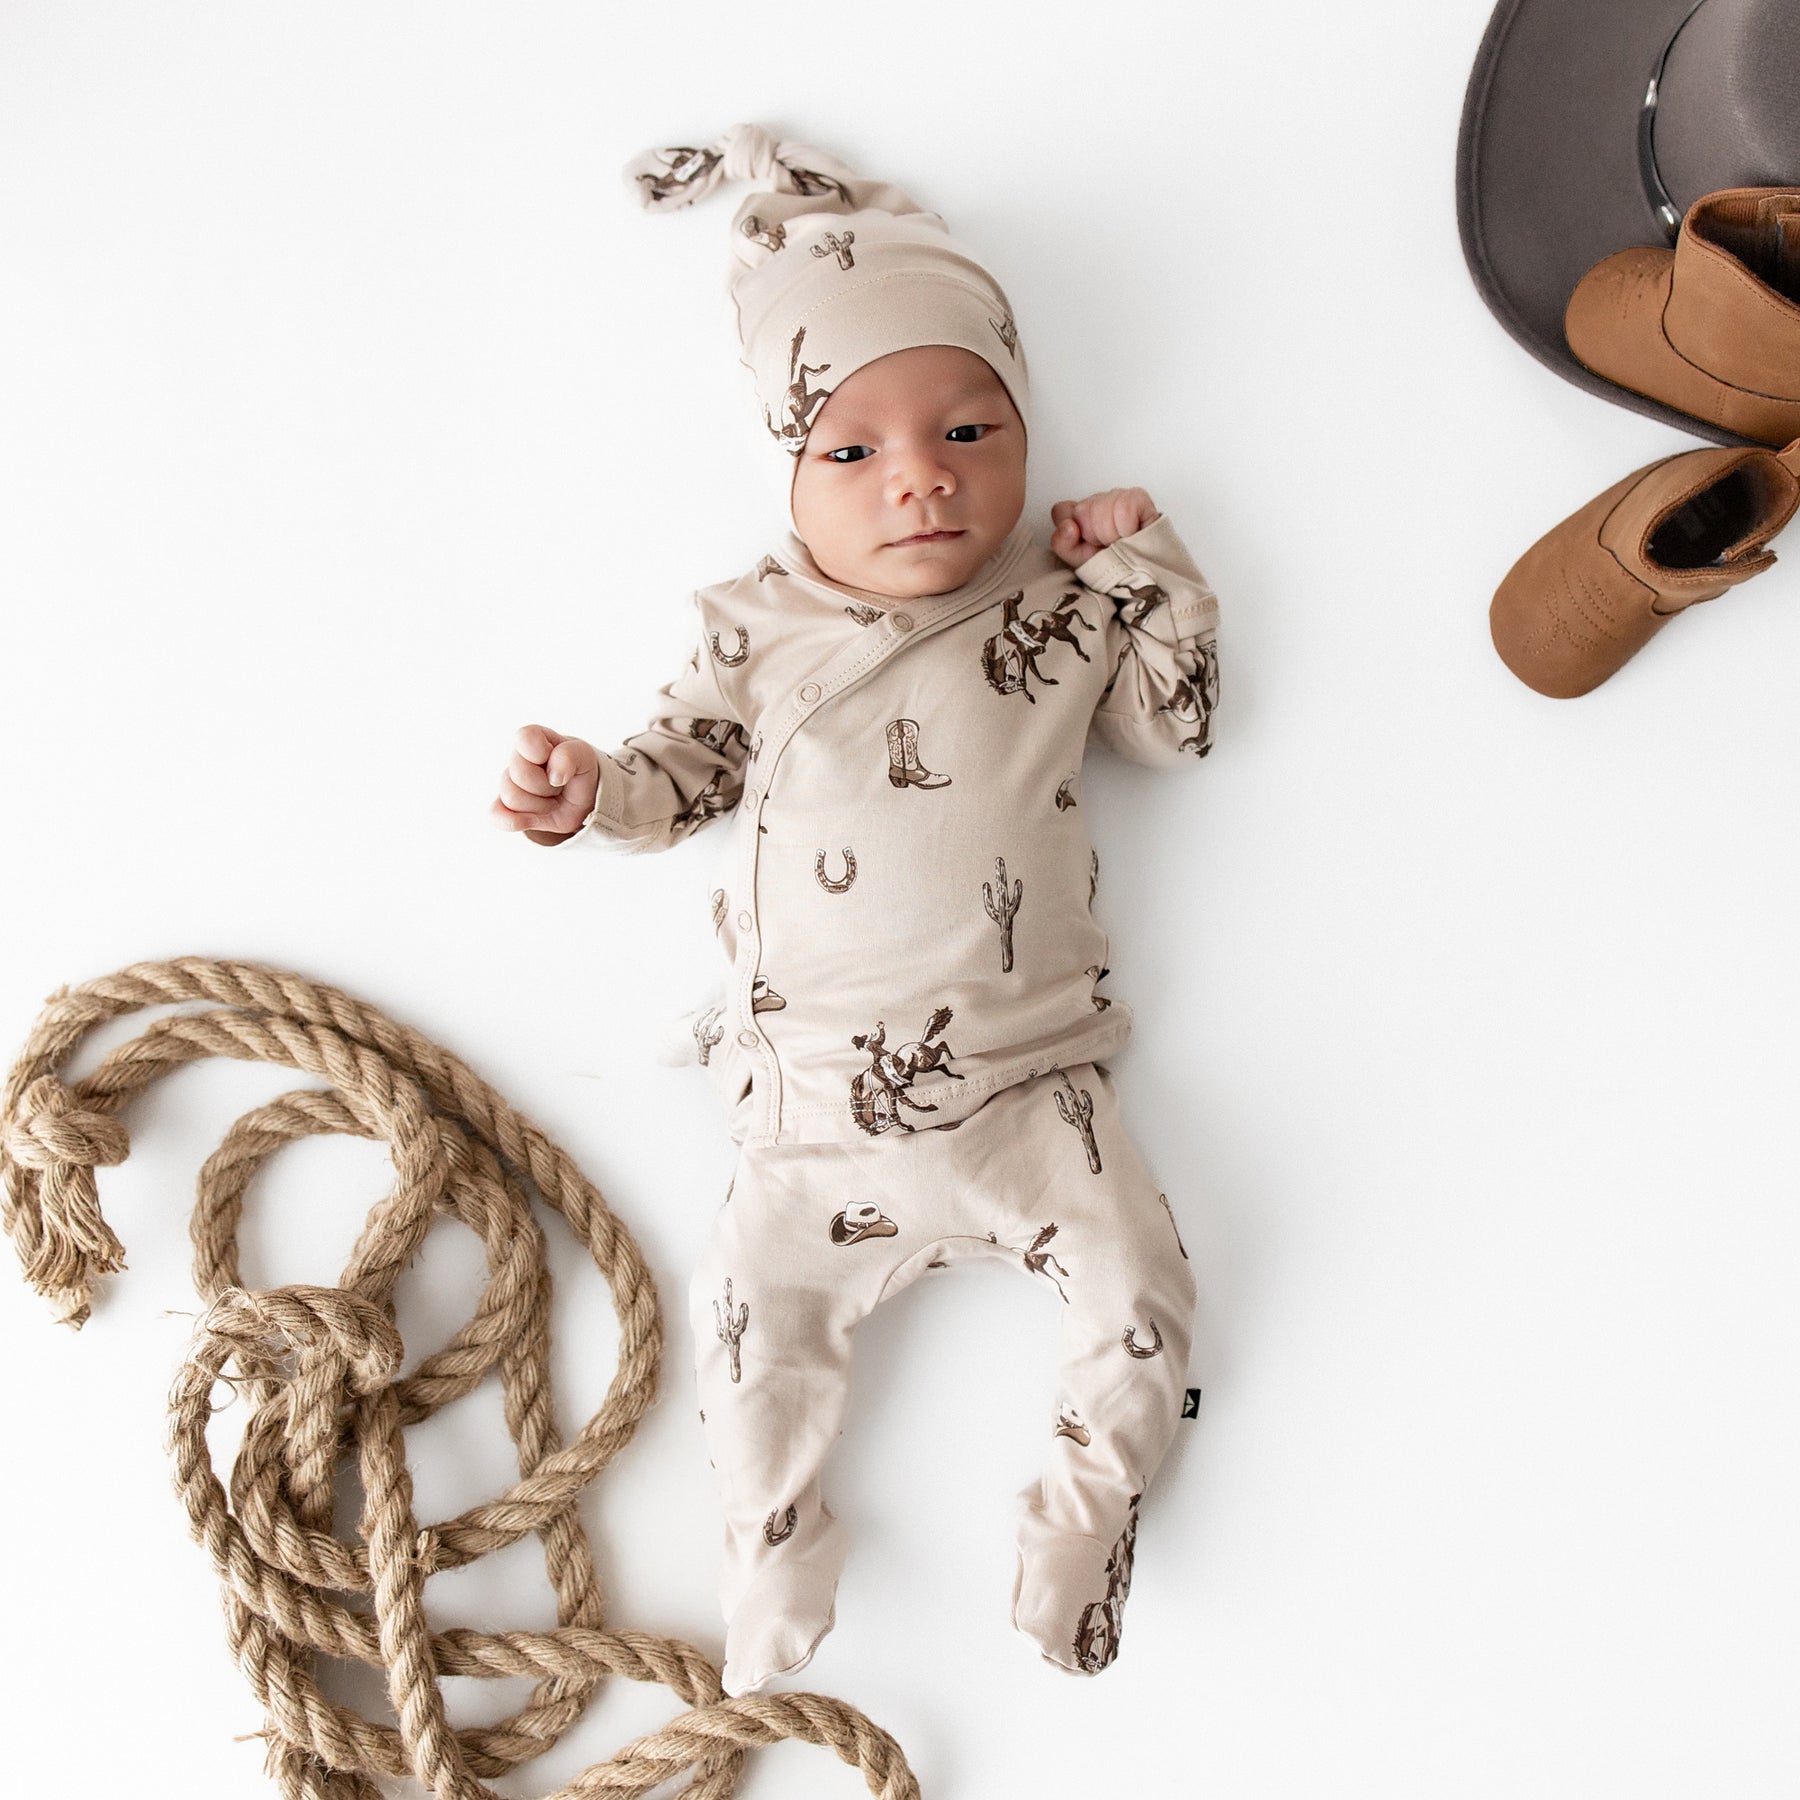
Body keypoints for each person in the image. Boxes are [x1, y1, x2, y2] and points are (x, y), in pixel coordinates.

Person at [491, 124, 1219, 1697]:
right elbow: (679, 777)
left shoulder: (1055, 612)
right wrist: (588, 793)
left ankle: (1084, 1524)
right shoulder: (756, 629)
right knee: (748, 1351)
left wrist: (1151, 567)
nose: (923, 480)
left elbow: (1179, 725)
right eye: (855, 452)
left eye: (970, 430)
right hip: (813, 1114)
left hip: (1038, 1091)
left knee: (1147, 1297)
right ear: (790, 469)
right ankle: (772, 1556)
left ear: (1026, 433)